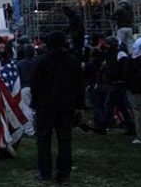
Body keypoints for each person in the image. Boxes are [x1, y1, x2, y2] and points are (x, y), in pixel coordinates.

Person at [32, 31, 83, 183]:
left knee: (43, 140)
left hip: (46, 106)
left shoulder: (42, 61)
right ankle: (63, 173)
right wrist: (79, 105)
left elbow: (36, 85)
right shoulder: (73, 61)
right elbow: (79, 85)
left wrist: (35, 103)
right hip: (66, 106)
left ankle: (45, 172)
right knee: (65, 140)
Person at [16, 44, 37, 136]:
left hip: (24, 87)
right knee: (36, 109)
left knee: (26, 109)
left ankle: (29, 130)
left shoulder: (20, 63)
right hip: (36, 87)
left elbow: (17, 77)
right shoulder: (37, 62)